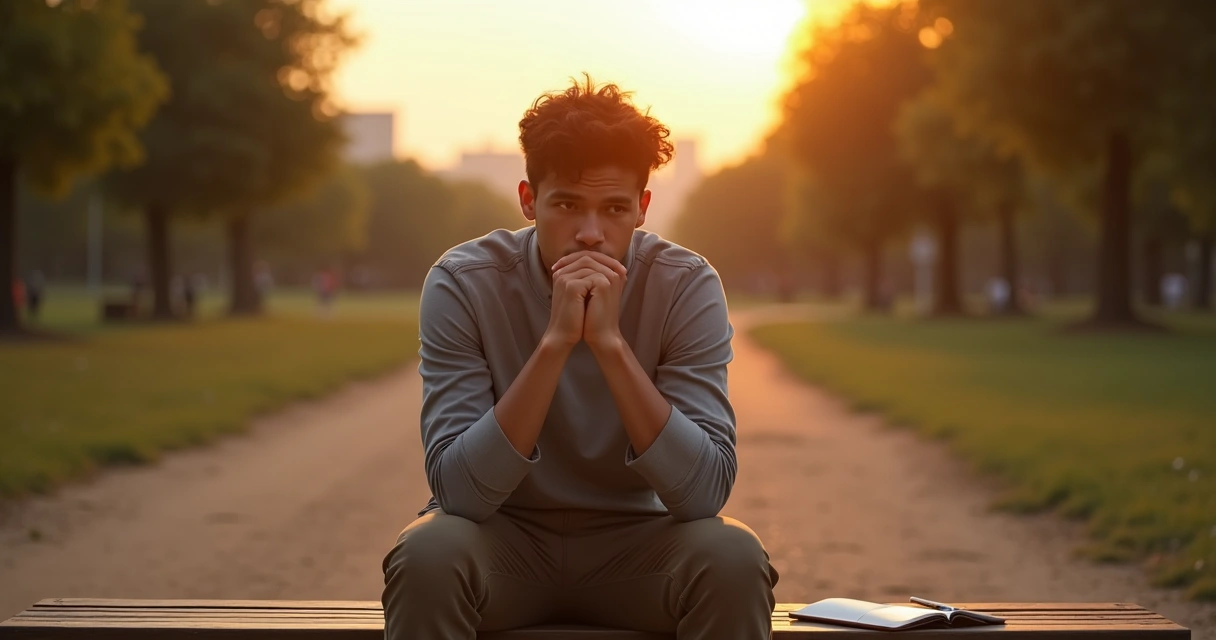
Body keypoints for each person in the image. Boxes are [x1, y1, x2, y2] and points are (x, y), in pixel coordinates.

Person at [381, 77, 778, 640]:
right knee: (427, 553)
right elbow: (460, 494)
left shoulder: (685, 284)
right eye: (567, 204)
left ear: (642, 208)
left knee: (734, 557)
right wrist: (556, 343)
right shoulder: (464, 281)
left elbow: (703, 494)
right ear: (528, 201)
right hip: (502, 542)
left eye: (614, 208)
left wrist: (611, 346)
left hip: (640, 549)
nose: (590, 234)